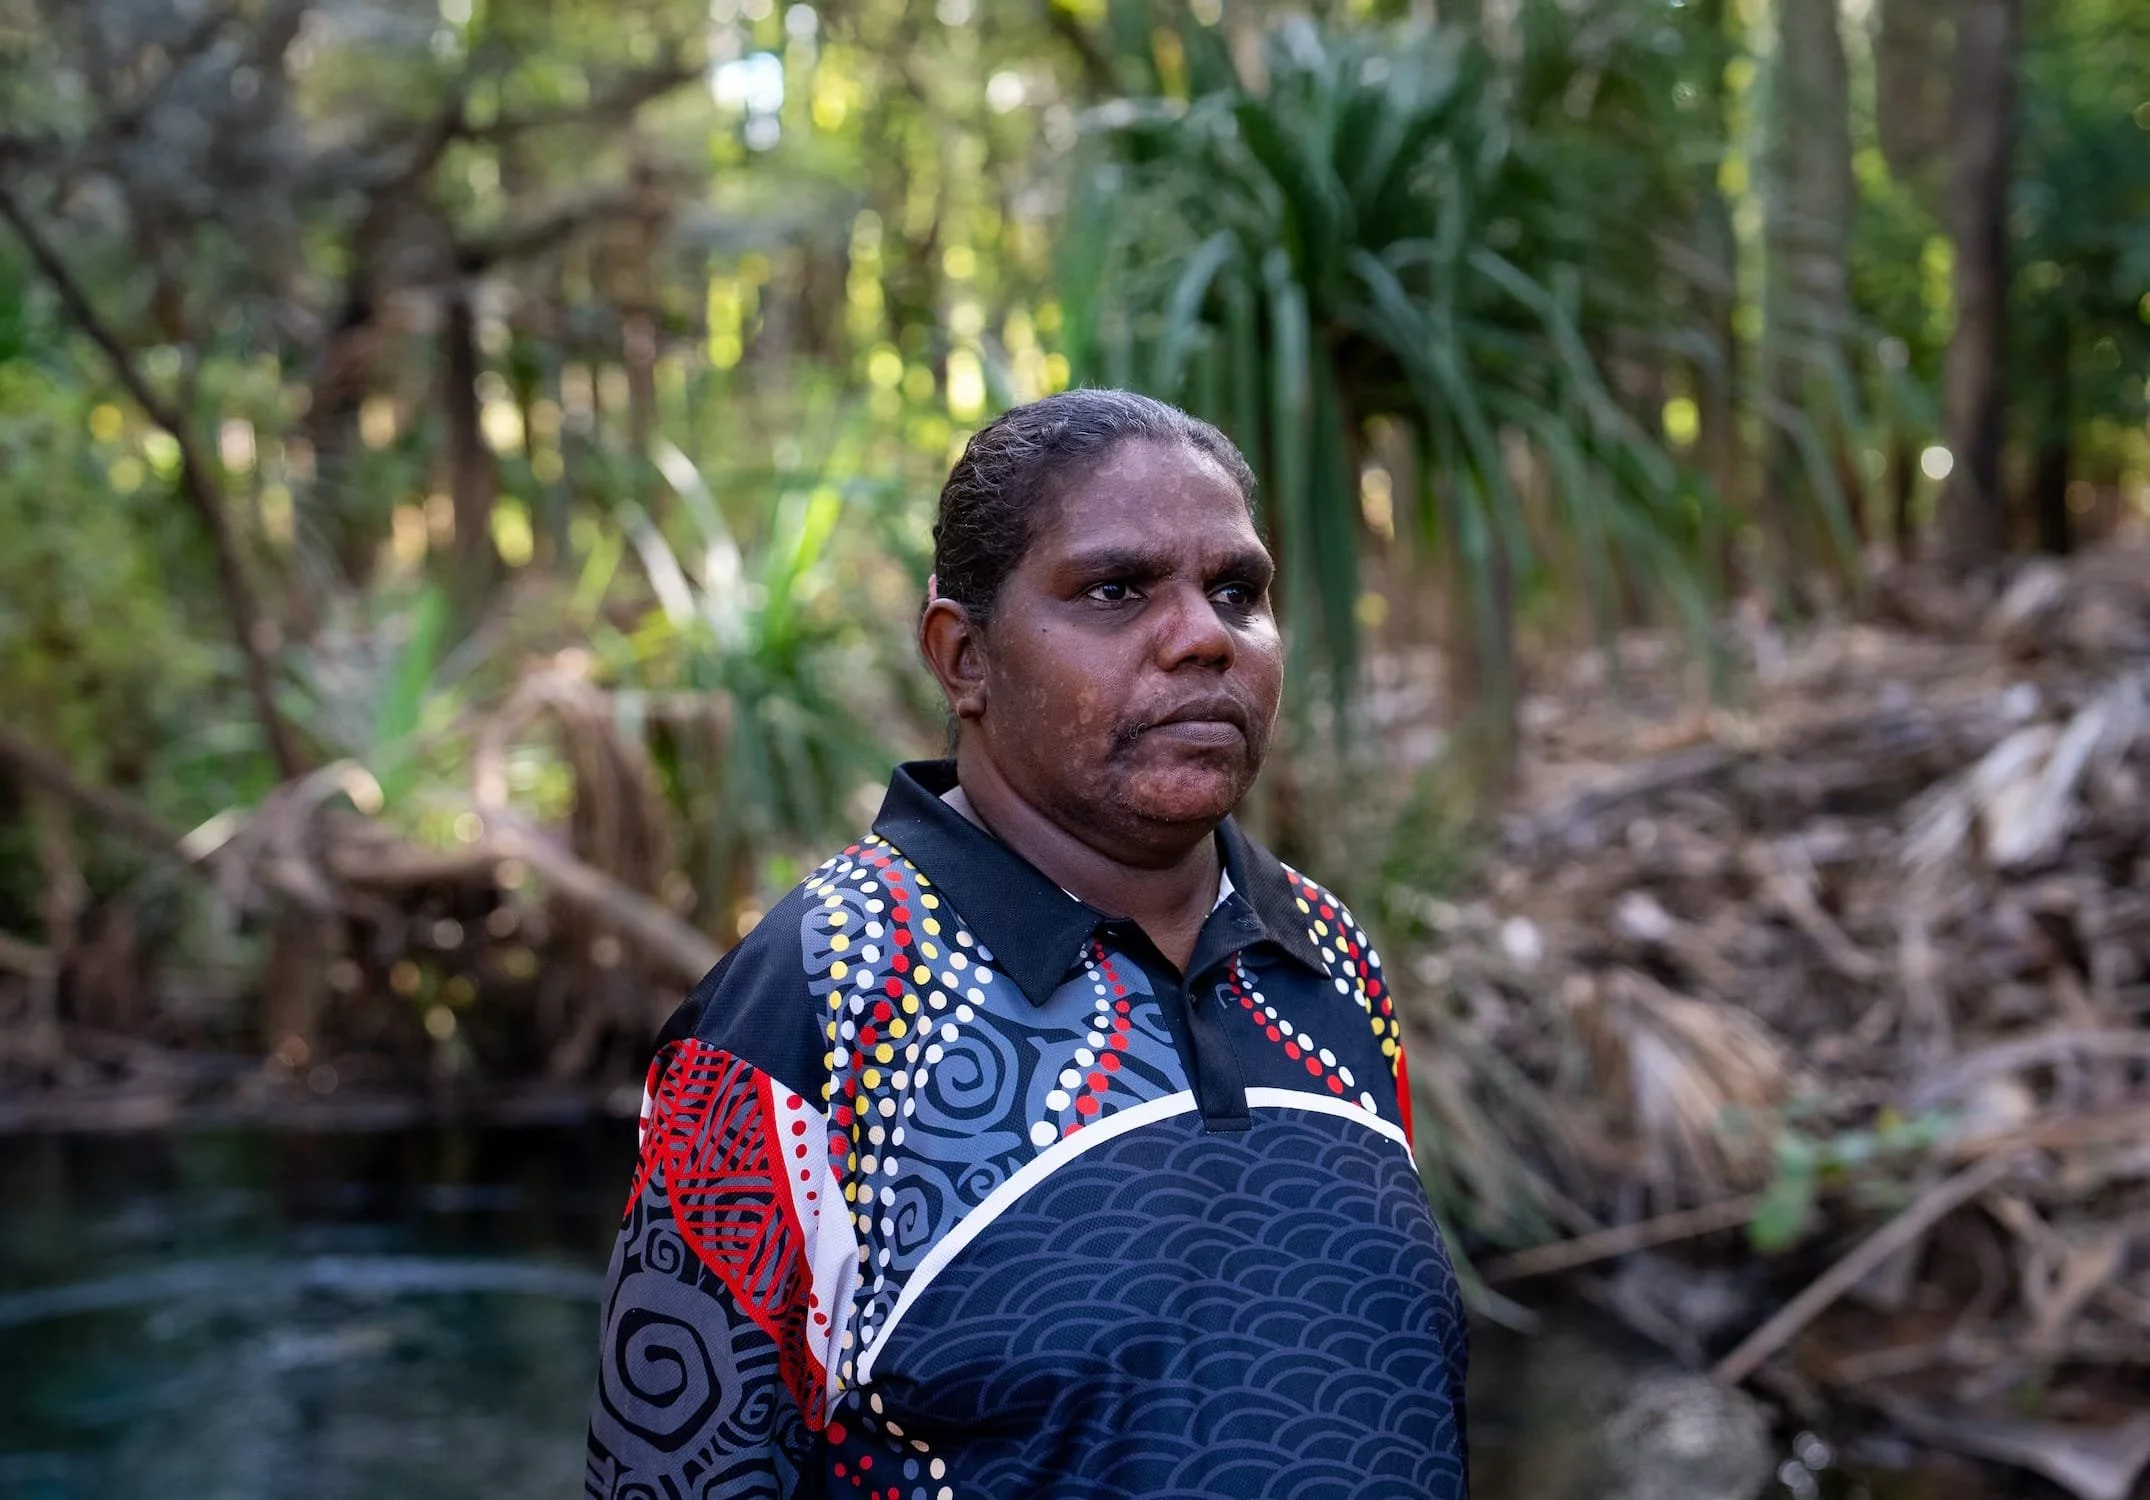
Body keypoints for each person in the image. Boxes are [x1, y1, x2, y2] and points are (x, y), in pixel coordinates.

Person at [585, 390, 1469, 1499]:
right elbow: (670, 1474)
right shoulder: (814, 1004)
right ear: (963, 658)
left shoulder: (1323, 957)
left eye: (1236, 591)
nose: (1202, 636)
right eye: (1114, 590)